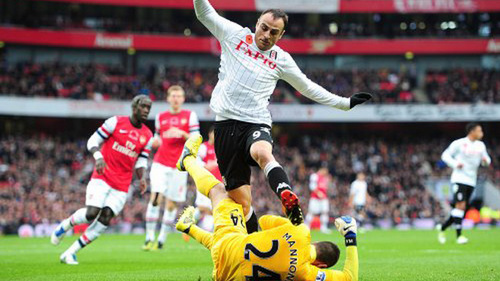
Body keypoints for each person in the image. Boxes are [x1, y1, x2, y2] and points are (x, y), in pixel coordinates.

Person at [193, 0, 372, 232]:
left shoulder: (282, 59)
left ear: (281, 35)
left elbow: (307, 87)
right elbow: (204, 13)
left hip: (255, 121)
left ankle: (285, 193)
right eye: (264, 27)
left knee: (262, 152)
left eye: (274, 32)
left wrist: (344, 104)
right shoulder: (234, 35)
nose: (267, 35)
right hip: (225, 125)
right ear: (257, 24)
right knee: (241, 201)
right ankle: (256, 242)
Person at [175, 134, 358, 280]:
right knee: (230, 238)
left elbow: (265, 220)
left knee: (219, 192)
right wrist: (351, 239)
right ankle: (187, 227)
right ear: (321, 266)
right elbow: (349, 277)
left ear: (315, 243)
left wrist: (348, 231)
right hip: (224, 276)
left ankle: (187, 161)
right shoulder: (306, 274)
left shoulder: (301, 232)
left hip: (231, 246)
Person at [51, 95, 153, 264]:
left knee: (105, 218)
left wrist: (142, 178)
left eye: (149, 108)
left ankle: (70, 252)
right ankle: (65, 225)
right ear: (134, 107)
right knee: (91, 214)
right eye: (143, 107)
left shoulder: (147, 135)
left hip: (122, 184)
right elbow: (93, 140)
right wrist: (98, 157)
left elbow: (142, 159)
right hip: (103, 176)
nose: (146, 111)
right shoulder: (115, 122)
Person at [143, 85, 200, 250]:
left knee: (171, 205)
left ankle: (161, 239)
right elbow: (157, 136)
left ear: (183, 99)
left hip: (179, 166)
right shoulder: (160, 117)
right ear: (168, 98)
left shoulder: (190, 116)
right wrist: (154, 141)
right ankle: (148, 238)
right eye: (173, 96)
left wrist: (183, 134)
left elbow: (196, 140)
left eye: (179, 96)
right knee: (155, 198)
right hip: (160, 162)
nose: (176, 99)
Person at [438, 123, 491, 244]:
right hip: (459, 178)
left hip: (471, 180)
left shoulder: (480, 146)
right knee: (460, 206)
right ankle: (459, 236)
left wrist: (485, 161)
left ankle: (442, 228)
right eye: (479, 131)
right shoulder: (459, 143)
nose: (481, 133)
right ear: (472, 132)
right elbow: (445, 155)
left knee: (461, 209)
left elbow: (487, 160)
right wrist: (455, 164)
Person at [195, 126, 221, 231]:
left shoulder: (220, 149)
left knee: (212, 209)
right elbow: (196, 161)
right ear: (210, 134)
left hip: (217, 183)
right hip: (205, 181)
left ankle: (207, 231)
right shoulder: (203, 147)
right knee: (203, 207)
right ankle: (188, 221)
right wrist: (206, 165)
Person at [305, 166, 332, 233]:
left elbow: (326, 187)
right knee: (311, 212)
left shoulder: (325, 178)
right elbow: (312, 186)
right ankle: (307, 226)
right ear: (322, 169)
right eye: (325, 171)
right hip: (315, 197)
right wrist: (318, 193)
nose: (326, 173)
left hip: (324, 197)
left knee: (325, 212)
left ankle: (323, 227)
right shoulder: (314, 176)